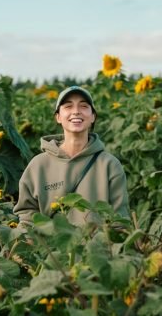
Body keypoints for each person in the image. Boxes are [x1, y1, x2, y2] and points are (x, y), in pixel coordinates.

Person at [14, 86, 129, 226]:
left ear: (93, 116)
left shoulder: (109, 165)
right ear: (58, 117)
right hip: (50, 247)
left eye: (84, 106)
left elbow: (120, 220)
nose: (76, 111)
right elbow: (27, 218)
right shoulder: (38, 165)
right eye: (68, 106)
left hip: (98, 246)